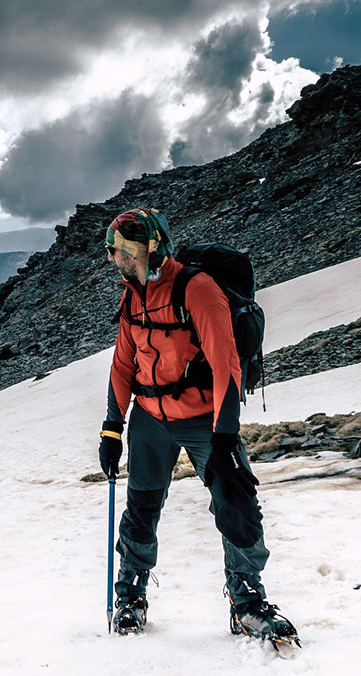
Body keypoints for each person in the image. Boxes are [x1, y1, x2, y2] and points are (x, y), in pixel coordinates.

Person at [97, 208, 296, 644]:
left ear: (150, 249)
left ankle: (246, 597)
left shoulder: (198, 290)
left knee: (237, 503)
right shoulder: (132, 296)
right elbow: (123, 362)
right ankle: (131, 592)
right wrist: (112, 427)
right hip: (150, 420)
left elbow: (226, 364)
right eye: (115, 252)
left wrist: (225, 433)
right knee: (142, 509)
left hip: (205, 421)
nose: (117, 260)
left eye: (124, 252)